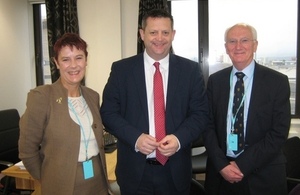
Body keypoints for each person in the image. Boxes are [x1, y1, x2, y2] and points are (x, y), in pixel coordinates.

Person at [100, 9, 209, 195]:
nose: (160, 38)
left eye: (165, 32)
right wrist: (136, 138)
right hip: (134, 172)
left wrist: (178, 138)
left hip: (175, 171)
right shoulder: (122, 70)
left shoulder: (190, 71)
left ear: (173, 35)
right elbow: (108, 113)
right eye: (153, 32)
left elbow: (200, 114)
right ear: (142, 34)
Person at [203, 23, 291, 195]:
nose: (238, 47)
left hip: (264, 173)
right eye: (232, 41)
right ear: (226, 47)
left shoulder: (277, 82)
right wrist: (222, 165)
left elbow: (279, 132)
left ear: (255, 45)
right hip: (221, 173)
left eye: (244, 40)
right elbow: (207, 125)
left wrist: (242, 164)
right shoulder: (215, 81)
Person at [18, 33, 111, 195]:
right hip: (62, 185)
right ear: (56, 63)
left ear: (86, 60)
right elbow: (27, 150)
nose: (73, 65)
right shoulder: (42, 96)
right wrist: (48, 178)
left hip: (97, 181)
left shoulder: (92, 96)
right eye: (66, 59)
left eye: (79, 58)